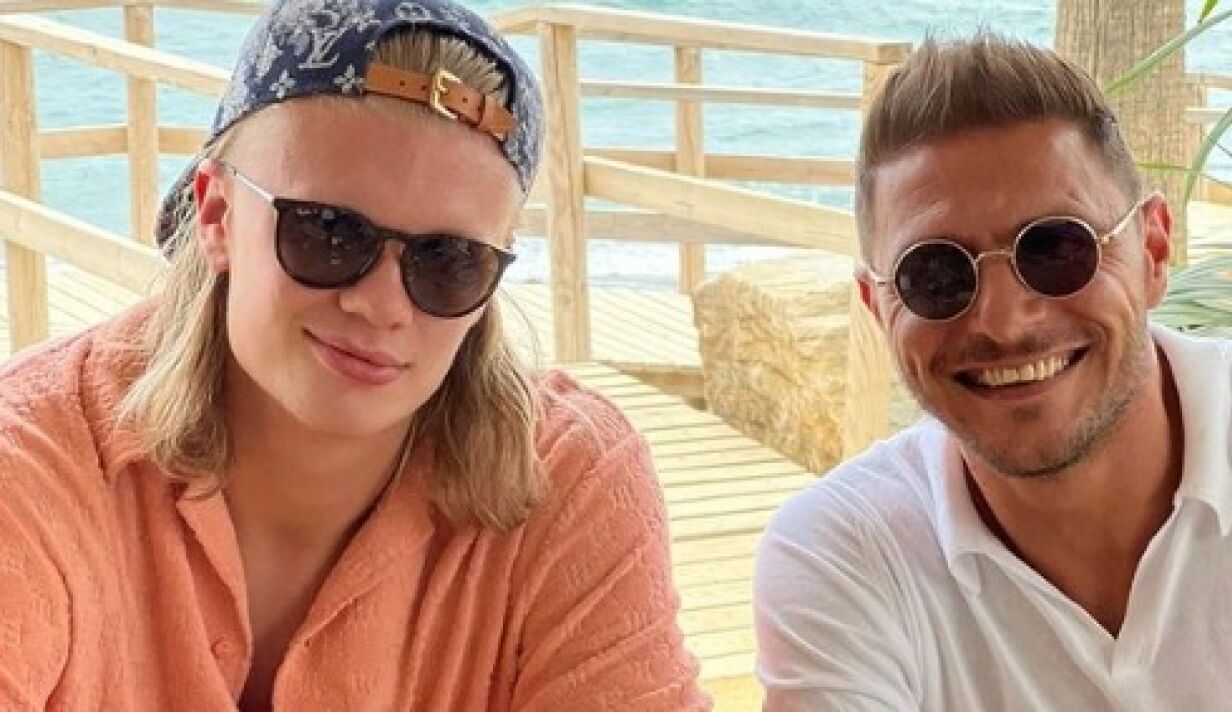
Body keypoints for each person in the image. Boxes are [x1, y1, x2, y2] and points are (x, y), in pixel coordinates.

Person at [0, 1, 710, 709]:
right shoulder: (32, 466)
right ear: (217, 215)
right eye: (328, 233)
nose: (381, 305)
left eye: (448, 261)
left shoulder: (570, 481)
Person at [753, 33, 1232, 711]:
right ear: (877, 308)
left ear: (1153, 250)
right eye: (935, 275)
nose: (1003, 322)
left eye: (1055, 249)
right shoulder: (845, 554)